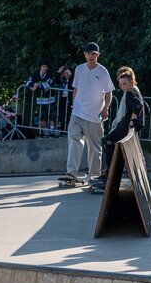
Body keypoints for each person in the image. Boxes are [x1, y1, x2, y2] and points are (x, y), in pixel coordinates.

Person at [63, 42, 115, 184]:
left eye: (94, 54)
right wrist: (74, 105)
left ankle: (93, 175)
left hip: (95, 115)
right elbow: (76, 89)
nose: (91, 56)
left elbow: (109, 92)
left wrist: (105, 108)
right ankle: (71, 173)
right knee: (74, 140)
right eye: (89, 53)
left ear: (97, 55)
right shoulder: (79, 69)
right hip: (78, 113)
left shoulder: (102, 71)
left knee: (94, 147)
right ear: (85, 54)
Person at [90, 66, 146, 190]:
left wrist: (132, 119)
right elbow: (146, 107)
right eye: (120, 84)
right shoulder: (135, 91)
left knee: (107, 142)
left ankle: (108, 175)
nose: (122, 87)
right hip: (128, 124)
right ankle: (109, 174)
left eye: (124, 84)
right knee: (110, 143)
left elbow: (139, 105)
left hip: (126, 124)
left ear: (132, 81)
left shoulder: (131, 92)